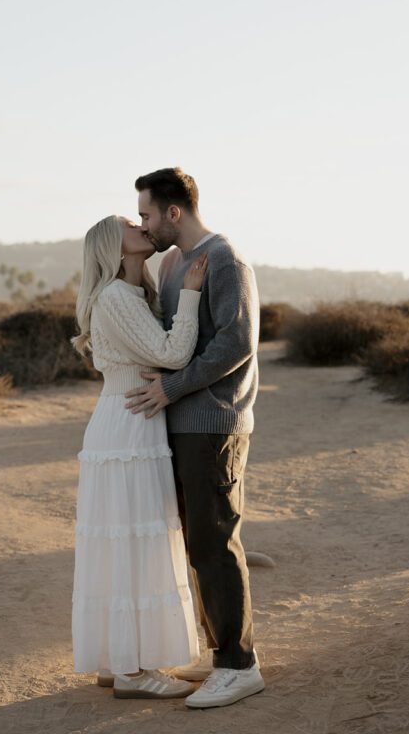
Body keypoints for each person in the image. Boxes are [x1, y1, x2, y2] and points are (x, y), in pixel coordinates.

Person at [125, 166, 265, 709]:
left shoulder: (226, 259)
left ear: (173, 212)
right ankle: (220, 653)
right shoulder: (171, 263)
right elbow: (170, 338)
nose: (145, 223)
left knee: (215, 540)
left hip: (215, 423)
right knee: (197, 544)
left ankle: (239, 665)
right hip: (180, 425)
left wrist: (174, 386)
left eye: (146, 214)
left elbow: (236, 342)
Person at [70, 213, 209, 699]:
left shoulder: (131, 295)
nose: (141, 225)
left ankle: (119, 658)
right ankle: (131, 673)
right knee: (131, 542)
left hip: (132, 422)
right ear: (115, 245)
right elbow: (172, 354)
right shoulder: (114, 296)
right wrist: (191, 295)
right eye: (130, 223)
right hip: (127, 426)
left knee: (127, 542)